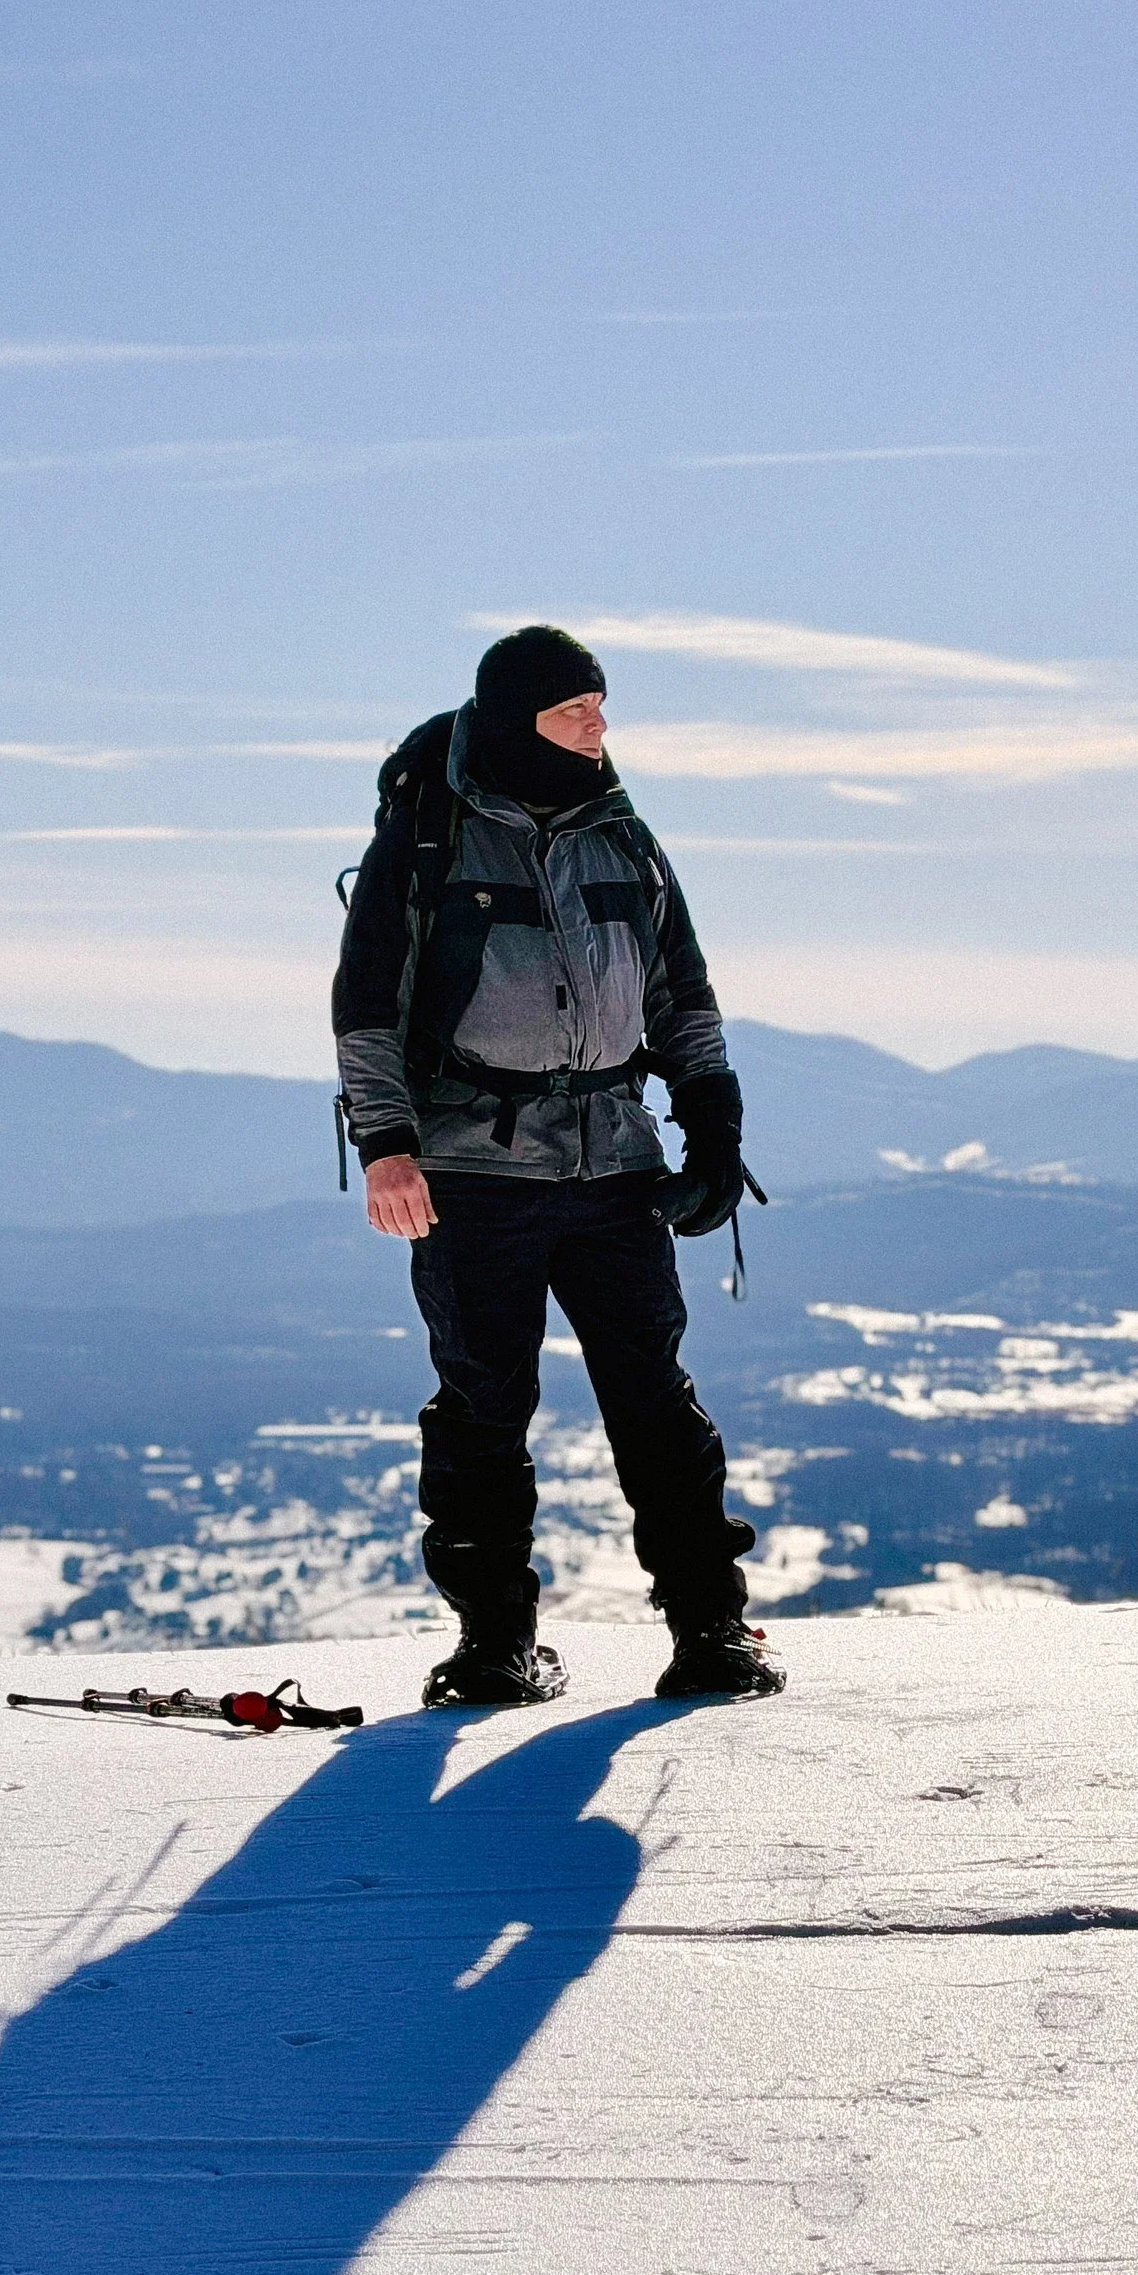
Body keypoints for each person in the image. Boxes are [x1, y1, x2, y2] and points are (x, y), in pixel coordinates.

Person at [333, 622, 785, 1709]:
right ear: (515, 719)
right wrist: (386, 1147)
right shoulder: (432, 836)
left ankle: (710, 1633)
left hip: (612, 1168)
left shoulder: (622, 836)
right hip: (470, 1174)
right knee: (484, 1408)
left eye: (600, 709)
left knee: (654, 1404)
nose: (598, 729)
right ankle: (494, 1644)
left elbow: (683, 994)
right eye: (573, 712)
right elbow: (365, 1005)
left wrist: (714, 1130)